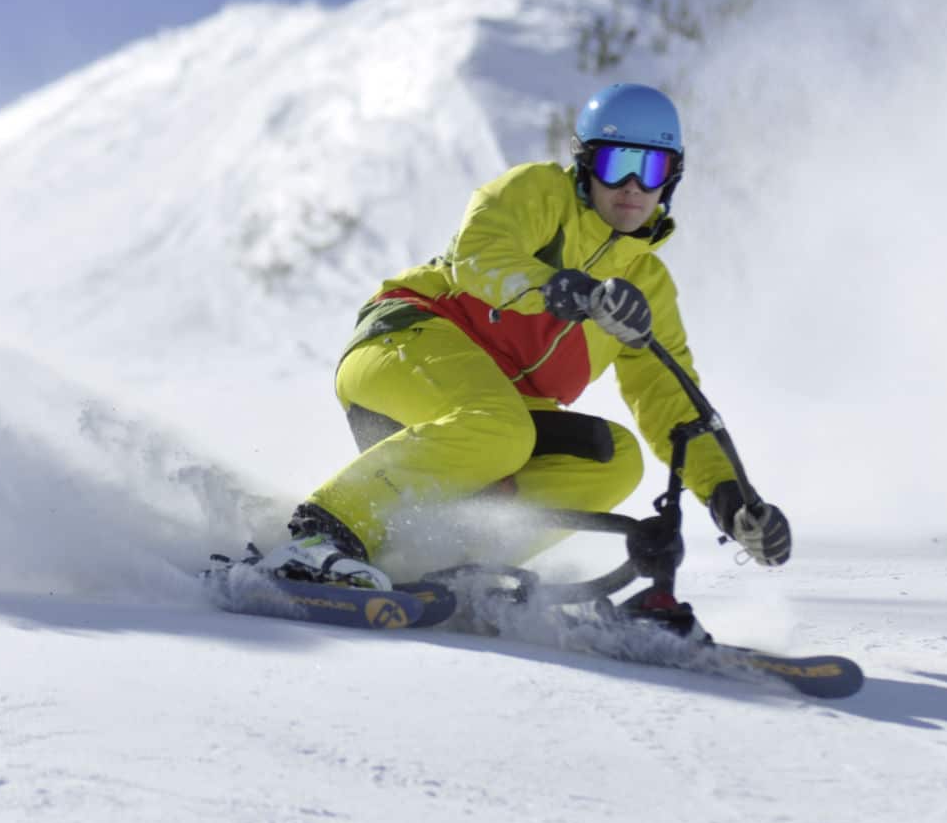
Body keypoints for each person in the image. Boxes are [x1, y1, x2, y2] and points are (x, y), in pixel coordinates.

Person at [256, 83, 791, 605]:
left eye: (649, 169)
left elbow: (670, 403)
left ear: (669, 179)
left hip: (489, 413)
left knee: (615, 458)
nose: (631, 185)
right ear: (585, 166)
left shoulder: (648, 286)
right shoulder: (538, 194)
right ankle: (319, 534)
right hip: (405, 342)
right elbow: (480, 256)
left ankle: (451, 562)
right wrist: (562, 288)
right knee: (500, 429)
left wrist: (729, 498)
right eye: (615, 164)